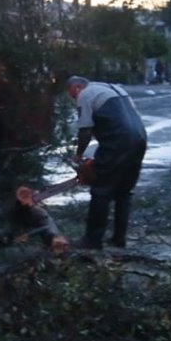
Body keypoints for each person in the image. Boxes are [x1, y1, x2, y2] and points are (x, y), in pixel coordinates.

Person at [66, 76, 147, 250]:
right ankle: (119, 238)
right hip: (139, 138)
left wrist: (79, 155)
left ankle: (92, 240)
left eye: (73, 96)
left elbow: (85, 130)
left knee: (101, 190)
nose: (75, 100)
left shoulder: (85, 95)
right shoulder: (115, 89)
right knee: (124, 192)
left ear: (78, 87)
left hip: (118, 141)